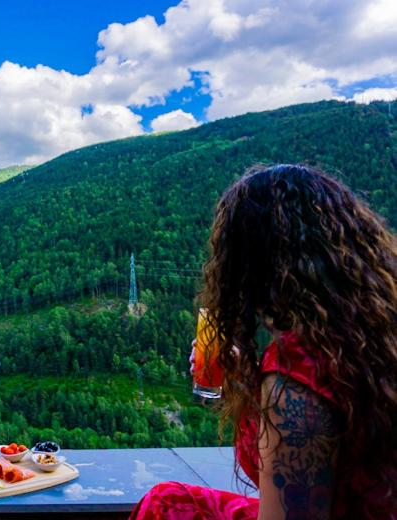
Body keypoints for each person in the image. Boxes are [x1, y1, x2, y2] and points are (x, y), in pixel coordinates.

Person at [131, 164, 397, 519]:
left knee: (166, 506)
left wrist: (266, 389)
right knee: (169, 500)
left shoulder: (296, 380)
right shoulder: (370, 337)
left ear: (248, 264)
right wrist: (248, 377)